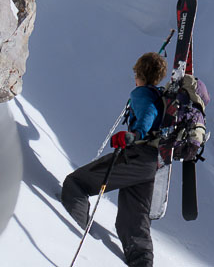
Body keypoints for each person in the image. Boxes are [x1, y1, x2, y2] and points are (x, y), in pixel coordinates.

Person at [61, 52, 166, 267]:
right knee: (134, 220)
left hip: (137, 155)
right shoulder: (161, 95)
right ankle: (142, 262)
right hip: (152, 164)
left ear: (139, 73)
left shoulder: (143, 94)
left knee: (76, 184)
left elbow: (148, 113)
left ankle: (68, 232)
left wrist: (134, 135)